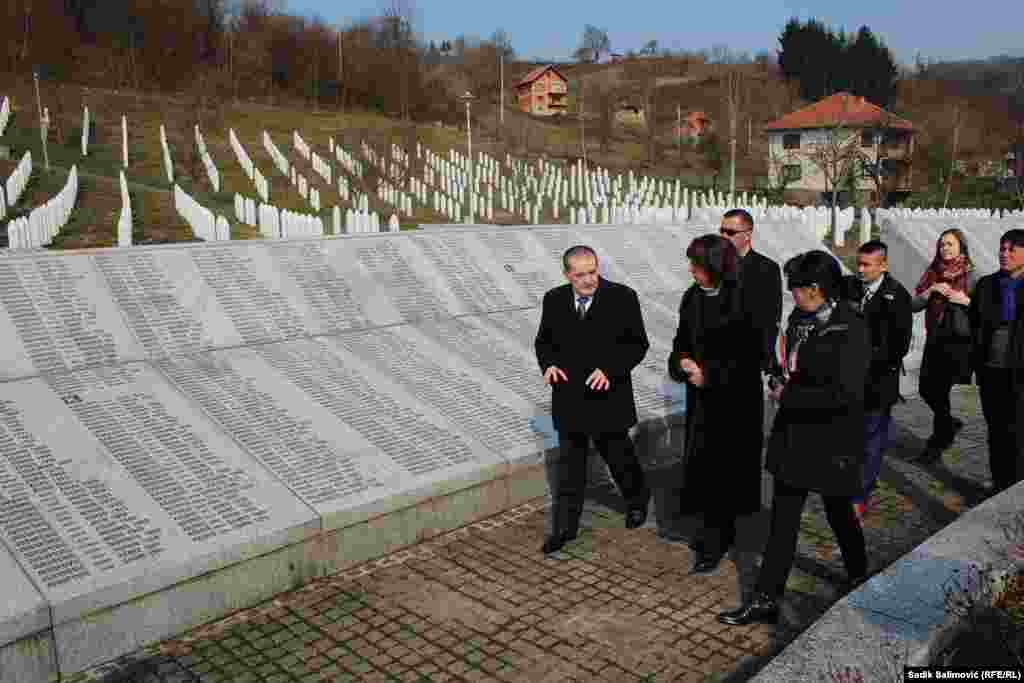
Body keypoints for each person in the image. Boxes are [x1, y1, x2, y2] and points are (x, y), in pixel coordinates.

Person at [718, 251, 870, 626]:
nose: (792, 296)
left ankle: (858, 571)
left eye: (796, 289)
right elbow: (791, 363)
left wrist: (791, 395)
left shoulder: (851, 326)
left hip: (833, 439)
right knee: (782, 522)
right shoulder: (800, 319)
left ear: (815, 288)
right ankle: (766, 598)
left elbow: (846, 393)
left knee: (839, 513)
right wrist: (777, 376)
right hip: (795, 437)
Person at [534, 245, 652, 555]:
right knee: (570, 466)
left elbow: (638, 344)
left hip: (607, 396)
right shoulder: (554, 299)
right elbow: (544, 341)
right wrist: (549, 365)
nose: (589, 280)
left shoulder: (622, 297)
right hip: (569, 396)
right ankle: (565, 528)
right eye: (580, 275)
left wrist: (610, 370)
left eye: (593, 272)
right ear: (567, 275)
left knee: (619, 457)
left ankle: (637, 500)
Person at [667, 234, 764, 573]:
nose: (691, 270)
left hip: (735, 402)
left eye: (697, 265)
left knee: (725, 473)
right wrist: (682, 361)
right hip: (702, 402)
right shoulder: (692, 297)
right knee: (706, 471)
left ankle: (717, 541)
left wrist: (709, 375)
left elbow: (752, 356)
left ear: (715, 266)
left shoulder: (745, 299)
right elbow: (681, 340)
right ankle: (712, 533)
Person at [843, 241, 913, 520]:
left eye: (866, 265)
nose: (860, 270)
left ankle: (860, 495)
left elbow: (899, 345)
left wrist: (866, 359)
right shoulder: (850, 287)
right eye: (858, 264)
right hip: (848, 380)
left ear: (883, 265)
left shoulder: (897, 296)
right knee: (852, 437)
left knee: (870, 440)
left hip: (877, 381)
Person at [912, 228, 979, 463]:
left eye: (950, 244)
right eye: (942, 244)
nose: (945, 248)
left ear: (961, 246)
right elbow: (914, 304)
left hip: (958, 342)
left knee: (939, 391)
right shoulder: (933, 272)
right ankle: (948, 425)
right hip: (935, 338)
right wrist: (931, 290)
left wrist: (965, 300)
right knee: (926, 389)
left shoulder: (972, 275)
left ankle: (936, 444)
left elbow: (985, 309)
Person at [969, 229, 1024, 494]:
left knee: (1019, 430)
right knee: (997, 430)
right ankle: (1000, 482)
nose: (1005, 254)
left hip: (1020, 372)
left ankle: (1018, 486)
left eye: (1012, 249)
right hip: (992, 370)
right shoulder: (986, 285)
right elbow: (975, 325)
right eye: (1002, 248)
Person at [718, 208, 784, 376]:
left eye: (730, 232)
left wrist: (763, 359)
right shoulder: (713, 266)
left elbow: (770, 318)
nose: (724, 237)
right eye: (722, 231)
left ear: (747, 235)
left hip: (750, 361)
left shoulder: (766, 269)